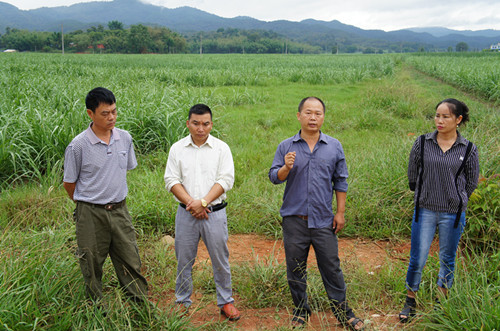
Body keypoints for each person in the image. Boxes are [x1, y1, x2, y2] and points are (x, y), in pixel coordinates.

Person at [269, 97, 364, 330]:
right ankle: (301, 311)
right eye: (308, 113)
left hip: (323, 219)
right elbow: (274, 177)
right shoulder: (286, 146)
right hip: (294, 219)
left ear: (323, 117)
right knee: (295, 267)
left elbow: (340, 181)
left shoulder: (333, 146)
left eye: (318, 113)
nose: (313, 118)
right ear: (299, 115)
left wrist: (340, 213)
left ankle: (343, 313)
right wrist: (286, 167)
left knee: (331, 267)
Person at [63, 87, 148, 305]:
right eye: (105, 113)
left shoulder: (125, 138)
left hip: (120, 211)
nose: (111, 118)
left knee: (130, 261)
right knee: (91, 264)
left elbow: (126, 168)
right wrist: (87, 205)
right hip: (90, 214)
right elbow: (69, 183)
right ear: (90, 114)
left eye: (114, 112)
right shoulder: (78, 145)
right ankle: (96, 311)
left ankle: (140, 309)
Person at [399, 98, 479, 322]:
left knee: (447, 259)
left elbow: (471, 181)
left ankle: (440, 303)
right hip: (424, 210)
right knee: (418, 258)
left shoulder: (469, 149)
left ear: (458, 119)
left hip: (452, 214)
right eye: (437, 116)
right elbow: (412, 172)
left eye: (445, 116)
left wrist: (457, 199)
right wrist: (422, 193)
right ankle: (410, 300)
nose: (439, 121)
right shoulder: (423, 143)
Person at [164, 103, 240, 321]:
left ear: (211, 125)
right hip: (186, 213)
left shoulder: (221, 148)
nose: (200, 128)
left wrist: (204, 201)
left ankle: (226, 302)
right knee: (184, 260)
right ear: (188, 123)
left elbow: (226, 180)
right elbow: (171, 180)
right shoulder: (177, 148)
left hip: (215, 213)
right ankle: (182, 301)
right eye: (196, 123)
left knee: (220, 259)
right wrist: (192, 203)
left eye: (205, 124)